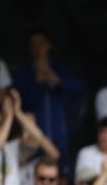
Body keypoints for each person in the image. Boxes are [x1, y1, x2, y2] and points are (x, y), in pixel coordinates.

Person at [14, 29, 84, 160]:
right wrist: (38, 81)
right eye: (33, 44)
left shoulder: (59, 67)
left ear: (48, 45)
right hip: (34, 138)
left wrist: (56, 79)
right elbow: (25, 101)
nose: (37, 48)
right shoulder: (24, 72)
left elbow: (78, 90)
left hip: (61, 134)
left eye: (41, 43)